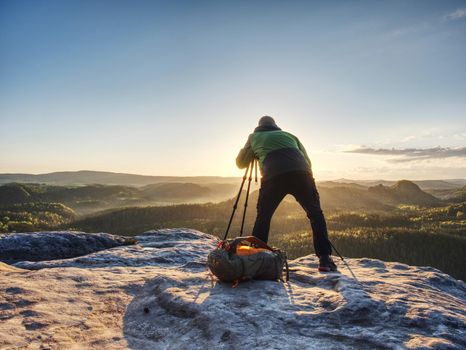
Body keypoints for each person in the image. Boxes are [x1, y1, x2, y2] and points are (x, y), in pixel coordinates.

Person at [236, 116, 337, 272]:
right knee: (315, 214)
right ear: (276, 126)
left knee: (264, 215)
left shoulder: (254, 137)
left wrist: (255, 152)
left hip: (273, 176)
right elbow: (308, 161)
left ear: (259, 127)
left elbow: (240, 163)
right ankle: (324, 259)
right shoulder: (290, 135)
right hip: (302, 174)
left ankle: (257, 258)